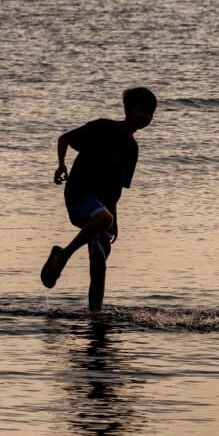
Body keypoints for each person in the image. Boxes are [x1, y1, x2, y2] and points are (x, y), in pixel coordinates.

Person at [40, 87, 157, 311]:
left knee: (99, 264)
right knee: (104, 219)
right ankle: (63, 256)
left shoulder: (132, 148)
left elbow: (116, 191)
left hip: (103, 208)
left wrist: (116, 219)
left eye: (150, 114)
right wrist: (61, 164)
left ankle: (95, 315)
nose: (146, 117)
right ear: (128, 109)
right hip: (79, 195)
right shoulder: (103, 127)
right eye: (142, 110)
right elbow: (65, 139)